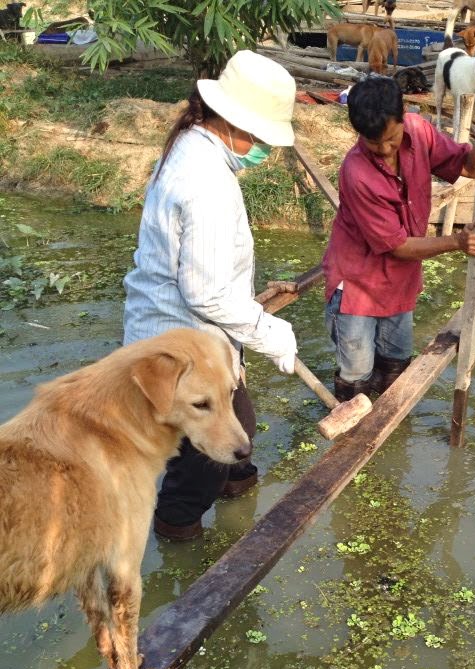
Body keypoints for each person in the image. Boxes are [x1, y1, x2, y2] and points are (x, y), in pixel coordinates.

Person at [123, 51, 299, 542]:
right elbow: (207, 293)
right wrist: (270, 333)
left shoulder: (189, 147)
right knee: (205, 459)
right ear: (235, 124)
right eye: (261, 140)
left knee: (241, 429)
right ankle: (178, 536)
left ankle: (236, 488)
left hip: (183, 337)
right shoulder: (207, 183)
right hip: (182, 346)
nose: (263, 150)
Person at [322, 76, 475, 400]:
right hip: (357, 284)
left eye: (391, 139)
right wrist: (456, 242)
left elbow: (468, 166)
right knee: (356, 378)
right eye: (374, 143)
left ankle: (393, 427)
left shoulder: (419, 132)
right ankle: (351, 423)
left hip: (400, 281)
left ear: (402, 118)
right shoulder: (357, 172)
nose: (384, 150)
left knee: (396, 367)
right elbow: (396, 245)